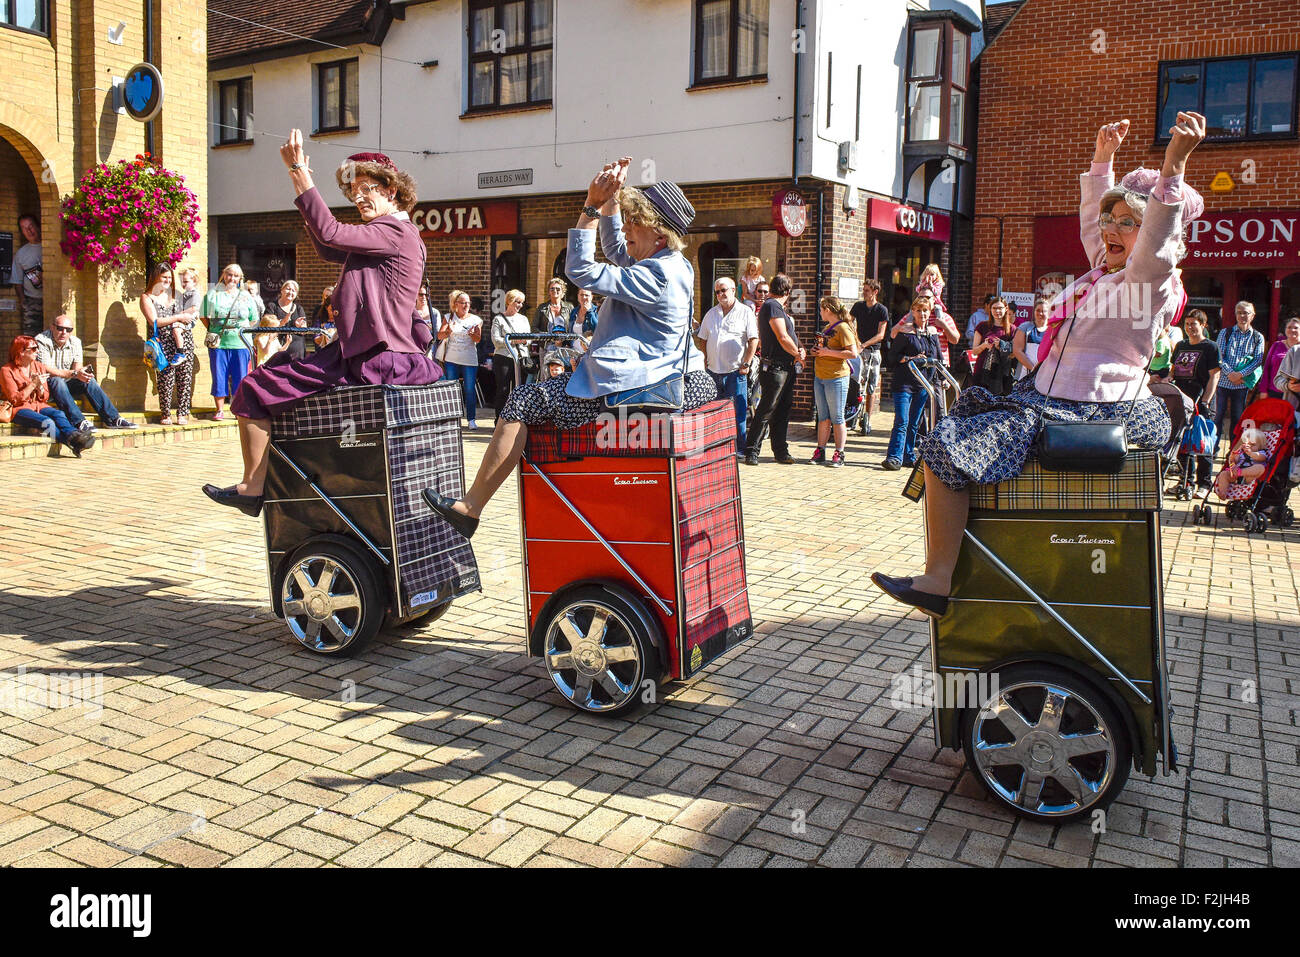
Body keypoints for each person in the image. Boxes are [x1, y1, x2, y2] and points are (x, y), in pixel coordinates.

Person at [872, 114, 1206, 618]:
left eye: (1126, 223)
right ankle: (947, 573)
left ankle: (939, 581)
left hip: (1089, 409)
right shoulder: (1105, 270)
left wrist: (1174, 163)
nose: (1110, 229)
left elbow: (1156, 242)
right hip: (1049, 396)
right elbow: (1094, 218)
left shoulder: (1148, 281)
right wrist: (1101, 159)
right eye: (1110, 220)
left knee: (947, 444)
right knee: (951, 429)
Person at [422, 158, 716, 539]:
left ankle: (470, 507)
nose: (626, 227)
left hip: (646, 384)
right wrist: (610, 201)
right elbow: (614, 247)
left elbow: (581, 271)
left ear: (657, 232)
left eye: (633, 221)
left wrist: (591, 207)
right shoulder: (672, 263)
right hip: (680, 376)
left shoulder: (655, 273)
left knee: (523, 401)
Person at [202, 135, 441, 516]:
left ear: (392, 190)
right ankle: (263, 484)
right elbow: (329, 245)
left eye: (368, 189)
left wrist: (299, 173)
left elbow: (331, 233)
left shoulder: (394, 231)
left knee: (255, 387)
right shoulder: (391, 233)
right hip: (367, 354)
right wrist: (302, 182)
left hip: (375, 358)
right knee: (263, 384)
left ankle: (255, 487)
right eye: (354, 191)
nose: (359, 197)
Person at [742, 273, 802, 466]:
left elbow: (789, 336)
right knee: (766, 409)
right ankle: (752, 451)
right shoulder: (772, 305)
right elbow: (782, 337)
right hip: (775, 368)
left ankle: (780, 451)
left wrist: (799, 349)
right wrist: (798, 354)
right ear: (787, 291)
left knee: (782, 410)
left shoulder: (777, 308)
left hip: (786, 367)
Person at [35, 316, 136, 430]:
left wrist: (82, 374)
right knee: (56, 380)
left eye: (68, 330)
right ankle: (79, 422)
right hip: (46, 387)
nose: (64, 333)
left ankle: (113, 419)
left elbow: (77, 368)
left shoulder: (75, 342)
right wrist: (74, 373)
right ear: (52, 327)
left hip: (66, 385)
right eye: (60, 328)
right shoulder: (41, 340)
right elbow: (47, 369)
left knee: (88, 380)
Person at [694, 276, 759, 454]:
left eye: (724, 290)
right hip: (713, 371)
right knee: (715, 412)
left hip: (735, 371)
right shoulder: (711, 313)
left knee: (738, 412)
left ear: (733, 290)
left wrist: (746, 363)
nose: (721, 294)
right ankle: (718, 448)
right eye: (717, 291)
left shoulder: (745, 312)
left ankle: (739, 448)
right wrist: (705, 361)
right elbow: (703, 339)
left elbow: (753, 340)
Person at [2, 336, 94, 455]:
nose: (37, 351)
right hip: (19, 409)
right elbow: (14, 400)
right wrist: (33, 384)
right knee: (47, 421)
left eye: (37, 348)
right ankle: (73, 442)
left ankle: (74, 436)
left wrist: (40, 388)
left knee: (59, 414)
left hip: (38, 405)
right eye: (34, 348)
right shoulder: (7, 370)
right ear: (21, 352)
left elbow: (46, 394)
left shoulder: (38, 366)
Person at [882, 296, 944, 470]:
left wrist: (941, 379)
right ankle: (894, 456)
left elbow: (938, 357)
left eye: (925, 310)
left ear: (929, 312)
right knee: (902, 420)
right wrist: (910, 359)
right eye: (918, 310)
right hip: (904, 383)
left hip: (923, 383)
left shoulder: (932, 332)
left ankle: (908, 456)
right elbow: (892, 357)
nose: (922, 314)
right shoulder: (906, 331)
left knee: (915, 422)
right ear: (913, 312)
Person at [1169, 309, 1220, 497]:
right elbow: (1173, 370)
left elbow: (1215, 375)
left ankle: (1204, 484)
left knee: (1203, 442)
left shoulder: (1210, 347)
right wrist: (1164, 379)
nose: (1190, 327)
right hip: (1182, 399)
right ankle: (1185, 482)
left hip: (1201, 400)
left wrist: (1206, 400)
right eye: (1187, 324)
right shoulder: (1181, 345)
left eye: (1194, 324)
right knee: (1183, 442)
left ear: (1203, 325)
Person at [142, 263, 199, 426]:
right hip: (163, 343)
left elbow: (193, 311)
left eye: (169, 277)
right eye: (164, 277)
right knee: (165, 379)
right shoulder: (147, 297)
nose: (167, 280)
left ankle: (183, 413)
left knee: (185, 378)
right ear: (155, 278)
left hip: (183, 339)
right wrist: (178, 317)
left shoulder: (177, 294)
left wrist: (183, 317)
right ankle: (165, 413)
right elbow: (155, 321)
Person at [201, 263, 258, 420]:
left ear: (240, 279)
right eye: (229, 274)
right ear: (224, 275)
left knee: (240, 377)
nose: (232, 278)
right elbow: (203, 315)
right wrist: (215, 329)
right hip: (219, 344)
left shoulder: (246, 296)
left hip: (241, 343)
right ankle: (219, 410)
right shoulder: (213, 294)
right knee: (219, 376)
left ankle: (238, 409)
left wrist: (239, 330)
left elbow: (253, 319)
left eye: (236, 276)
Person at [809, 296, 860, 467]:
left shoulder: (844, 328)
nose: (820, 312)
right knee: (823, 416)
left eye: (821, 309)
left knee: (837, 416)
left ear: (828, 310)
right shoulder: (826, 328)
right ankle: (820, 450)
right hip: (821, 375)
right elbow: (826, 349)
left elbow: (853, 353)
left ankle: (839, 452)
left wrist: (826, 353)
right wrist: (817, 351)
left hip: (836, 377)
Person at [1212, 300, 1265, 457]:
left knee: (1237, 419)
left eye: (1246, 313)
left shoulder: (1257, 337)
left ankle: (1233, 451)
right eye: (1239, 312)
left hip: (1241, 385)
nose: (1242, 315)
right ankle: (1213, 449)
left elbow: (1257, 360)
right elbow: (1219, 356)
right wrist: (1230, 374)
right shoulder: (1225, 333)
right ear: (1235, 315)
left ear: (1252, 316)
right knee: (1217, 416)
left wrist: (1240, 375)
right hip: (1222, 382)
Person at [439, 289, 483, 429]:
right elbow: (439, 336)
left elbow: (478, 339)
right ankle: (453, 418)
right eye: (463, 303)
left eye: (468, 303)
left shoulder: (476, 320)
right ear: (455, 304)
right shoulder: (449, 317)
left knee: (469, 389)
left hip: (469, 360)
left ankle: (471, 419)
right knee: (452, 388)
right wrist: (448, 331)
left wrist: (472, 335)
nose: (466, 306)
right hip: (452, 359)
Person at [850, 278, 889, 435]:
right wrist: (854, 339)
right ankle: (853, 412)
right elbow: (848, 322)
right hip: (859, 350)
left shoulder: (881, 310)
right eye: (863, 290)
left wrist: (864, 344)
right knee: (856, 382)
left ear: (875, 292)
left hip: (872, 351)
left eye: (867, 290)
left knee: (871, 386)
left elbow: (881, 335)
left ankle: (867, 417)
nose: (864, 293)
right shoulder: (858, 307)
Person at [491, 289, 530, 423]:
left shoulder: (524, 319)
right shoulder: (499, 319)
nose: (519, 305)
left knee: (520, 389)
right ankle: (500, 420)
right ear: (509, 301)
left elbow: (528, 339)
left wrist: (521, 340)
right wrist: (514, 341)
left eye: (521, 303)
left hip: (520, 358)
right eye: (517, 302)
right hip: (503, 358)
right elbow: (496, 340)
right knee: (503, 389)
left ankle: (518, 419)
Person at [970, 295, 1017, 395]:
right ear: (990, 310)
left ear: (1006, 309)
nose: (997, 311)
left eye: (1000, 308)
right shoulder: (982, 326)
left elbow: (1014, 354)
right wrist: (984, 346)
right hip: (982, 370)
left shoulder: (1012, 329)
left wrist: (1002, 346)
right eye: (994, 308)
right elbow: (974, 351)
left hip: (1002, 373)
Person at [1213, 427, 1269, 501]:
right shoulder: (1241, 453)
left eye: (1252, 445)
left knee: (1260, 468)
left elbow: (1261, 458)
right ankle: (1223, 492)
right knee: (1223, 474)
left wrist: (1251, 453)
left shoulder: (1261, 452)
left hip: (1249, 478)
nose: (1249, 447)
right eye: (1246, 444)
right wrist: (1233, 457)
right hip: (1236, 475)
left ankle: (1240, 472)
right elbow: (1234, 461)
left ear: (1260, 446)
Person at [9, 213, 43, 335]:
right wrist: (24, 301)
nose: (29, 231)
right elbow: (17, 281)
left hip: (51, 298)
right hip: (32, 302)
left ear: (38, 226)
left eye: (31, 226)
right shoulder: (21, 254)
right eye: (24, 228)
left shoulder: (49, 246)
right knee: (31, 338)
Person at [268, 279, 309, 361]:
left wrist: (300, 327)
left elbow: (304, 331)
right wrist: (282, 322)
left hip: (296, 349)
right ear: (282, 290)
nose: (290, 292)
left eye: (293, 290)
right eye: (288, 289)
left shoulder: (298, 308)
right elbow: (266, 327)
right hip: (277, 347)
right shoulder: (272, 306)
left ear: (296, 294)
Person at [1011, 297, 1050, 380]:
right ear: (1034, 311)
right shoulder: (1025, 327)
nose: (1040, 313)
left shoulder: (1053, 330)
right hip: (1026, 374)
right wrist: (1033, 370)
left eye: (1044, 311)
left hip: (1046, 375)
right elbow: (1017, 350)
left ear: (1049, 312)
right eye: (1038, 310)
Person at [1261, 315, 1300, 400]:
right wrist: (1263, 390)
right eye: (1289, 327)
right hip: (1275, 391)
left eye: (1296, 328)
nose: (1292, 330)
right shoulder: (1277, 345)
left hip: (1296, 395)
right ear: (1285, 330)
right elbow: (1267, 368)